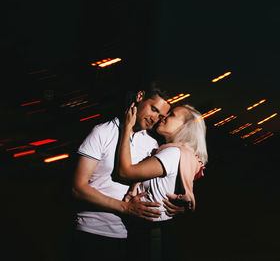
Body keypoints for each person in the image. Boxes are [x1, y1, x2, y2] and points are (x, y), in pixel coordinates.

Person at [70, 83, 188, 261]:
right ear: (140, 96)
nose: (155, 118)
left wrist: (175, 206)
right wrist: (125, 208)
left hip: (127, 236)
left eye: (161, 116)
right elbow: (78, 188)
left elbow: (154, 190)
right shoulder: (103, 132)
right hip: (91, 232)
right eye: (153, 109)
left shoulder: (152, 145)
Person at [117, 102, 208, 261]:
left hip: (151, 232)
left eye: (171, 115)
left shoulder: (173, 153)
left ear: (185, 127)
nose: (164, 117)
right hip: (155, 230)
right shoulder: (175, 152)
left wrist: (126, 129)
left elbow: (125, 172)